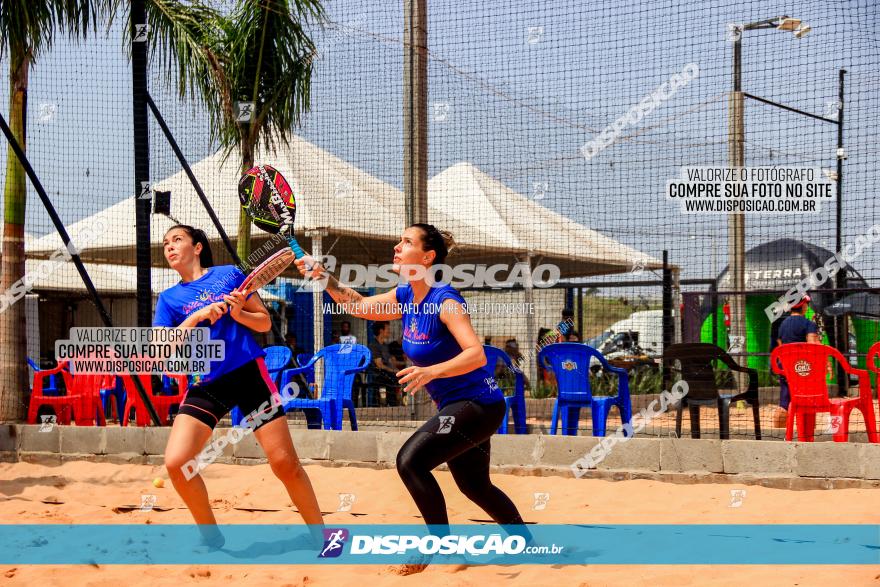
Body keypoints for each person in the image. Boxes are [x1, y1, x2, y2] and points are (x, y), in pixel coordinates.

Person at [294, 223, 531, 574]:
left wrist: (431, 372)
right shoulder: (407, 296)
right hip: (464, 405)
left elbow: (476, 355)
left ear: (427, 256)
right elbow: (358, 305)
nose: (397, 246)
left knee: (410, 462)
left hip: (478, 404)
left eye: (406, 242)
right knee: (474, 485)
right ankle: (526, 545)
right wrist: (324, 277)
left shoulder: (444, 299)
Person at [156, 225, 323, 549]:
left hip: (247, 374)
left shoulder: (229, 275)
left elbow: (263, 322)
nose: (169, 247)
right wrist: (194, 318)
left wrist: (237, 312)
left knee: (284, 464)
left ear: (198, 247)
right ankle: (211, 536)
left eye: (177, 240)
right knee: (176, 463)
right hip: (206, 383)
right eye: (165, 244)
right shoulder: (169, 299)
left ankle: (323, 536)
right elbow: (163, 348)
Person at [773, 294, 821, 428]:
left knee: (784, 402)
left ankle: (780, 434)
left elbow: (780, 346)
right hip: (802, 369)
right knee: (806, 400)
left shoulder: (783, 324)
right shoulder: (808, 324)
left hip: (785, 368)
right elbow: (812, 346)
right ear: (803, 306)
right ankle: (807, 433)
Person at [366, 321, 400, 406]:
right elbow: (379, 365)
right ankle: (393, 404)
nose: (389, 331)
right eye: (387, 329)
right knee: (392, 377)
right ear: (381, 331)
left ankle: (396, 402)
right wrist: (393, 370)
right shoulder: (373, 345)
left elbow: (390, 362)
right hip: (377, 374)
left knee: (399, 375)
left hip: (386, 373)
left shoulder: (385, 345)